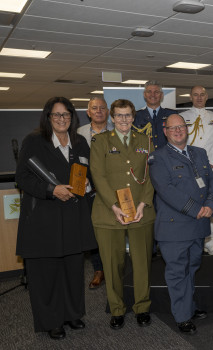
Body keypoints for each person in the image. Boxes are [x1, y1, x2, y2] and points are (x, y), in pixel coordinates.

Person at [16, 97, 96, 339]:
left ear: (72, 117)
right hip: (44, 219)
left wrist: (89, 186)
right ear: (48, 117)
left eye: (66, 115)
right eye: (57, 115)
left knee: (72, 270)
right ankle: (52, 320)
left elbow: (87, 171)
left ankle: (73, 314)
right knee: (46, 274)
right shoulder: (34, 141)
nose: (62, 119)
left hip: (73, 217)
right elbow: (23, 178)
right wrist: (51, 190)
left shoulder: (80, 142)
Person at [149, 114, 213, 335]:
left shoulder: (200, 153)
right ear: (165, 131)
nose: (178, 130)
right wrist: (196, 209)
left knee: (191, 268)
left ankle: (187, 305)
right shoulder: (158, 157)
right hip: (174, 227)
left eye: (181, 127)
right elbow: (166, 190)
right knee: (178, 272)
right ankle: (182, 316)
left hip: (198, 225)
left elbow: (212, 181)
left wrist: (210, 204)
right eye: (173, 128)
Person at [90, 99, 156, 330]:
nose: (124, 120)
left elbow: (151, 175)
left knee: (141, 264)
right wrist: (114, 206)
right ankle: (117, 309)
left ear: (134, 116)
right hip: (109, 214)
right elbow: (98, 175)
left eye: (128, 115)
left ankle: (142, 307)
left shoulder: (145, 141)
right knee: (112, 265)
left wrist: (143, 203)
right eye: (119, 115)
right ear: (112, 117)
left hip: (140, 213)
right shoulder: (100, 141)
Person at [181, 86, 213, 256]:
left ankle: (210, 243)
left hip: (209, 169)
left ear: (207, 97)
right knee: (189, 204)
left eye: (202, 95)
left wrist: (211, 165)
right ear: (191, 96)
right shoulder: (183, 117)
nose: (199, 98)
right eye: (196, 95)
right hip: (188, 169)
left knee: (209, 205)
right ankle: (190, 239)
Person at [77, 96, 113, 289]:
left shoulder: (117, 132)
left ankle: (115, 267)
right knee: (93, 231)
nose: (99, 111)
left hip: (114, 190)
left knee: (115, 228)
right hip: (89, 192)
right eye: (94, 108)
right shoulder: (78, 134)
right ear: (88, 112)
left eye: (102, 108)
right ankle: (99, 269)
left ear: (107, 112)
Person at [133, 80, 177, 150]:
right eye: (149, 92)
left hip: (167, 158)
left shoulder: (172, 115)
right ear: (144, 94)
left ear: (162, 95)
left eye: (156, 92)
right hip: (145, 158)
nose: (152, 95)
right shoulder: (136, 116)